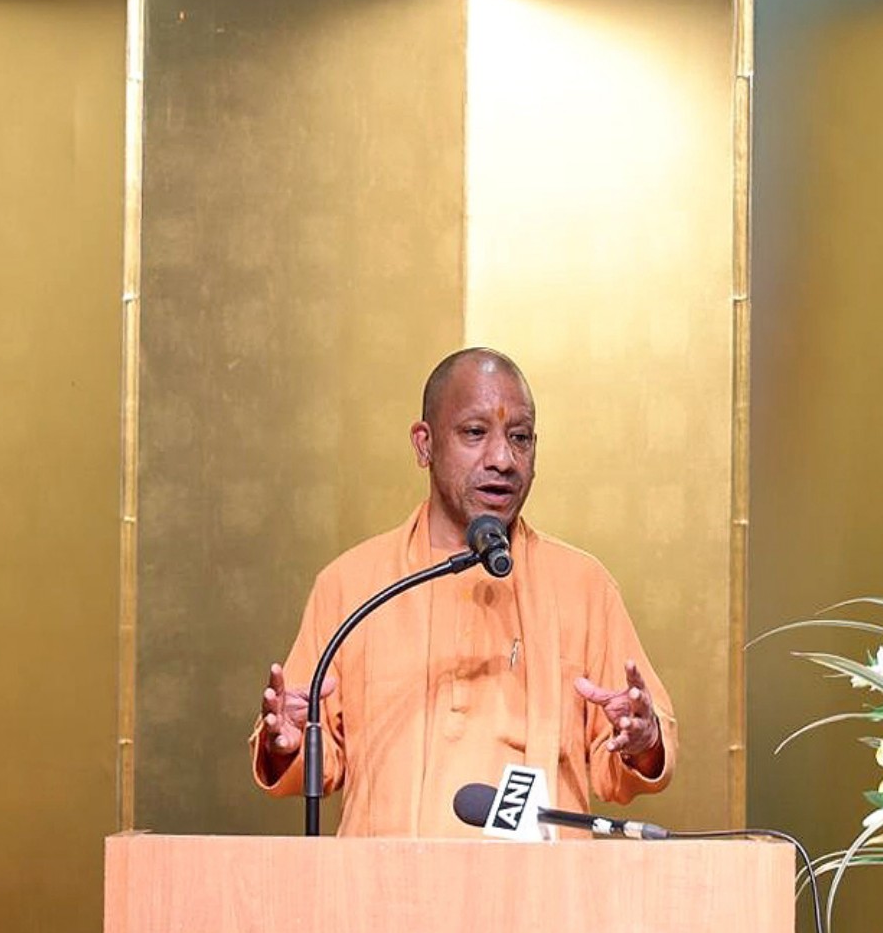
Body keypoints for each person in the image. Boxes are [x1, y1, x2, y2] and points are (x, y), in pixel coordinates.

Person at [251, 347, 675, 836]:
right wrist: (285, 742)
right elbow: (312, 759)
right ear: (424, 444)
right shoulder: (352, 584)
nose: (502, 459)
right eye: (475, 433)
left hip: (541, 897)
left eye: (520, 439)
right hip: (384, 895)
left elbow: (623, 765)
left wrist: (642, 738)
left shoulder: (582, 585)